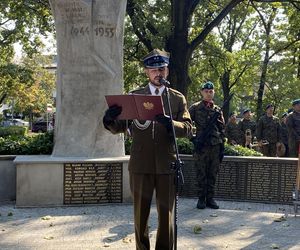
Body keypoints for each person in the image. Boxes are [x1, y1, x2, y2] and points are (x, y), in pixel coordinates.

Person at [102, 49, 192, 250]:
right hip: (140, 164)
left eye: (161, 68)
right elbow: (120, 127)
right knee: (140, 215)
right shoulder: (135, 96)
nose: (158, 73)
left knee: (166, 214)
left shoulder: (177, 99)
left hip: (166, 164)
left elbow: (188, 128)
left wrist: (172, 124)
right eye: (153, 70)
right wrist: (109, 119)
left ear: (167, 70)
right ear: (146, 72)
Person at [189, 81, 225, 210]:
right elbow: (187, 124)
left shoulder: (217, 109)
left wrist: (222, 146)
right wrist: (192, 138)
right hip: (201, 145)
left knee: (212, 172)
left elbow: (222, 128)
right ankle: (201, 198)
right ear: (202, 92)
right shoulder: (195, 107)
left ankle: (210, 198)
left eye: (211, 91)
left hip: (215, 145)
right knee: (201, 172)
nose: (209, 94)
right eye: (206, 91)